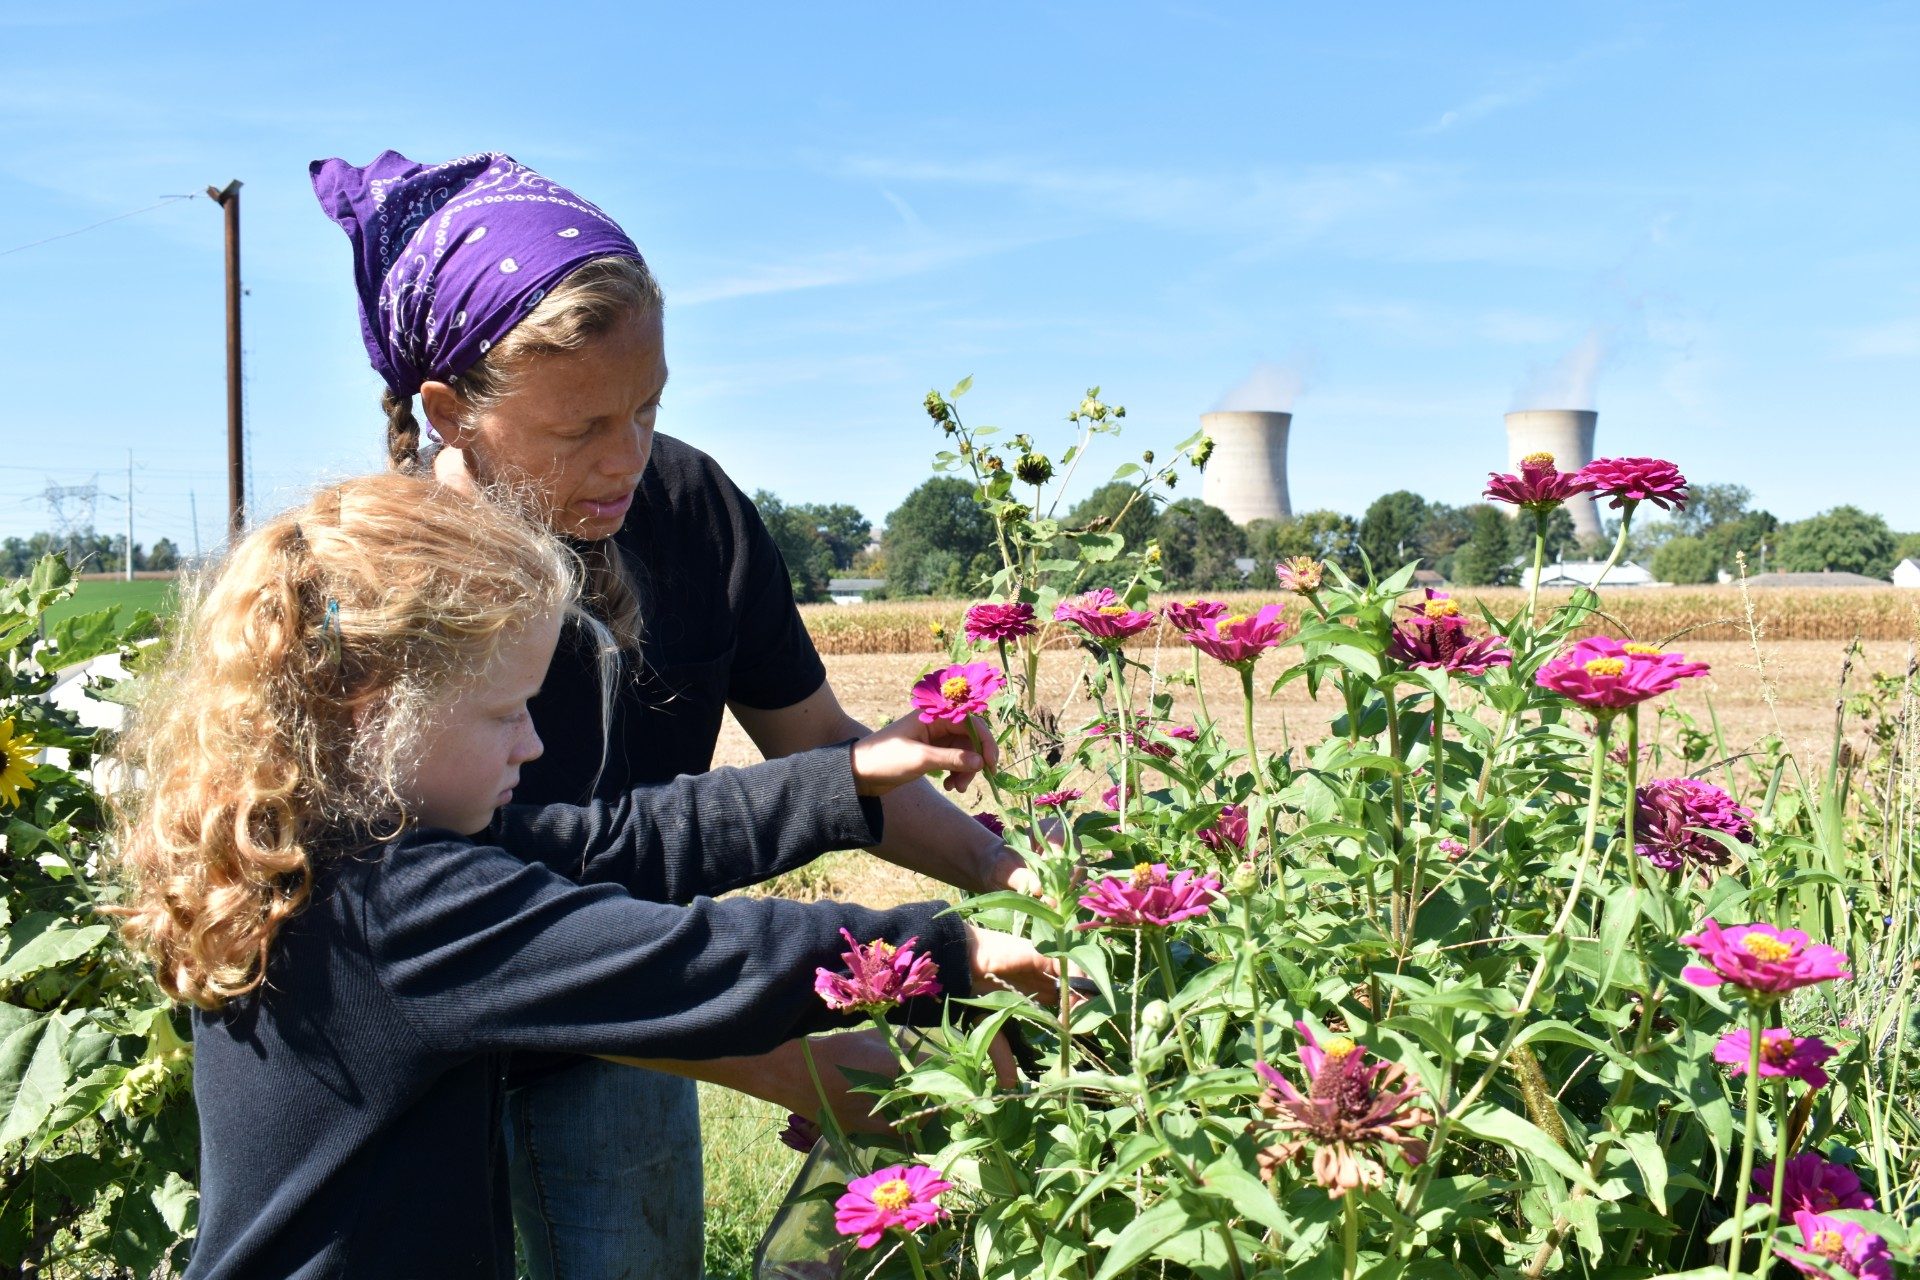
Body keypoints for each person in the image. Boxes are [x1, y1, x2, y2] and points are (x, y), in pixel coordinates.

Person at [310, 150, 1033, 1276]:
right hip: (427, 1060)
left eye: (648, 408)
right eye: (579, 428)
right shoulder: (400, 598)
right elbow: (495, 927)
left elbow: (813, 755)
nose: (627, 459)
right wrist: (789, 1060)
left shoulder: (687, 508)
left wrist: (1014, 880)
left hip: (644, 1020)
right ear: (453, 414)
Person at [111, 474, 1057, 1280]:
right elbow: (682, 958)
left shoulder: (323, 849)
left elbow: (624, 841)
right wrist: (945, 948)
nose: (532, 741)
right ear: (371, 709)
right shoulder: (402, 909)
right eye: (505, 710)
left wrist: (843, 776)